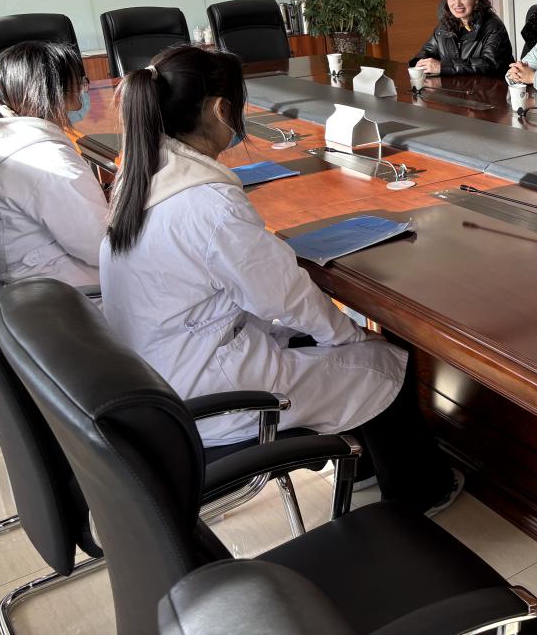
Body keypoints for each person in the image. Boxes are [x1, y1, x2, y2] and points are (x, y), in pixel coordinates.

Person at [100, 45, 460, 514]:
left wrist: (327, 333)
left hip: (165, 377)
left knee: (319, 340)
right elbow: (284, 296)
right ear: (220, 110)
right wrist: (349, 337)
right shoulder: (207, 204)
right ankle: (420, 493)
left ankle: (363, 467)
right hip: (206, 392)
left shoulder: (142, 178)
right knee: (381, 359)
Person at [0, 42, 106, 287]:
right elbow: (102, 248)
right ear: (53, 93)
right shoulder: (50, 161)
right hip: (67, 292)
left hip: (31, 282)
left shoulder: (9, 140)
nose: (81, 98)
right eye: (79, 84)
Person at [409, 0, 514, 78]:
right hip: (455, 86)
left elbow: (490, 65)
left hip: (489, 86)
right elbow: (426, 52)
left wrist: (443, 67)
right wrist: (420, 63)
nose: (457, 4)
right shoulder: (445, 25)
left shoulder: (493, 27)